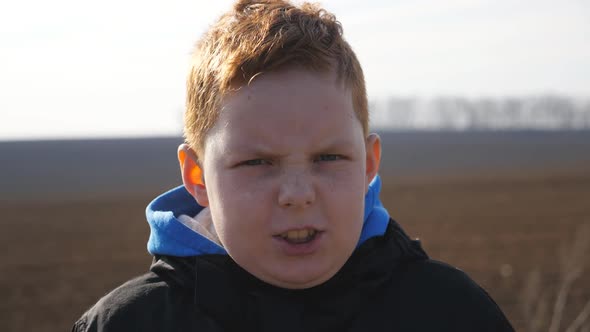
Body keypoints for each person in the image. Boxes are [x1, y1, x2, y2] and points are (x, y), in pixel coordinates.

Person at [72, 0, 515, 331]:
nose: (298, 193)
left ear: (369, 166)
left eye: (329, 157)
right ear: (197, 177)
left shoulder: (450, 313)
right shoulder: (127, 325)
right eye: (257, 162)